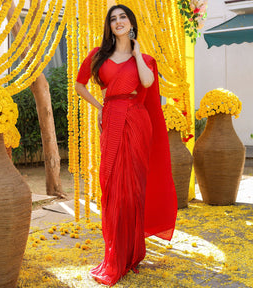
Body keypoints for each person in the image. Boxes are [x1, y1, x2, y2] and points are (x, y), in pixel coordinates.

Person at [75, 4, 177, 286]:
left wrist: (136, 51)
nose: (118, 22)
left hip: (137, 121)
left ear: (131, 23)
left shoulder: (145, 58)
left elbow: (146, 81)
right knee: (112, 186)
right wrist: (100, 106)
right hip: (112, 119)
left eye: (123, 17)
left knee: (133, 188)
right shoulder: (99, 55)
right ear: (108, 26)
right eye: (113, 19)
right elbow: (79, 85)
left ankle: (132, 253)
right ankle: (115, 254)